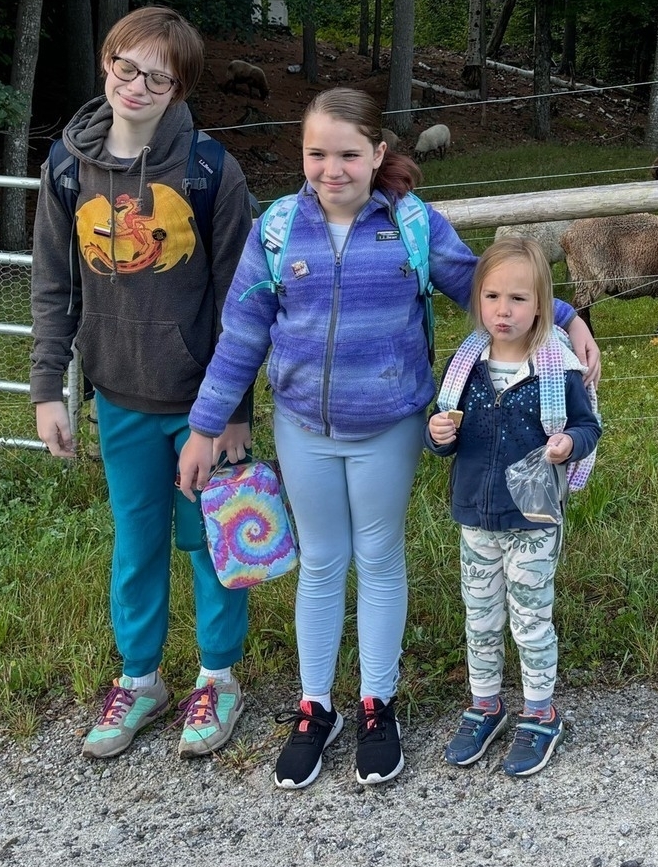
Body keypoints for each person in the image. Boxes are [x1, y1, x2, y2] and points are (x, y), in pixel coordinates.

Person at [182, 87, 600, 790]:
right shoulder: (277, 228)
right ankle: (316, 709)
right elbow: (244, 332)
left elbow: (482, 284)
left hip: (390, 427)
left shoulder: (411, 225)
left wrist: (564, 315)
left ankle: (379, 703)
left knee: (377, 557)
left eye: (348, 154)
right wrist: (204, 425)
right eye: (317, 153)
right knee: (320, 562)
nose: (332, 168)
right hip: (303, 429)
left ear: (378, 155)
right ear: (302, 153)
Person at [29, 7, 257, 763]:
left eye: (158, 76)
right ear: (107, 63)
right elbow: (51, 287)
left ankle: (218, 678)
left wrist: (229, 415)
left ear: (179, 86)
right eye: (127, 67)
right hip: (117, 398)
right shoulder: (65, 167)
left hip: (202, 405)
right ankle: (142, 679)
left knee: (211, 542)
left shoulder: (211, 171)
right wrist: (47, 390)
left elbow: (242, 300)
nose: (138, 84)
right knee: (137, 545)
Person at [426, 236, 599, 777]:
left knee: (529, 618)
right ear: (478, 299)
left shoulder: (557, 367)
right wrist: (437, 435)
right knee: (479, 617)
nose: (504, 310)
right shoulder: (466, 366)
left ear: (542, 308)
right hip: (475, 517)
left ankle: (540, 712)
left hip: (532, 521)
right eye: (493, 296)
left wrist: (569, 444)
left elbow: (587, 425)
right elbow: (445, 435)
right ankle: (485, 704)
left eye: (519, 299)